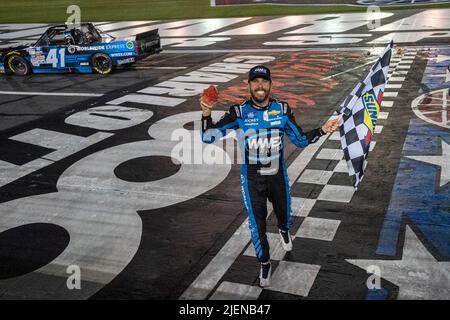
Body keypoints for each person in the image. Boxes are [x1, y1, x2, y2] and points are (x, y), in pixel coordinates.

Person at [200, 65, 339, 287]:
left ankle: (284, 229)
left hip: (277, 175)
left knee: (284, 214)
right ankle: (264, 262)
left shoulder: (282, 110)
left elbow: (301, 140)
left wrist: (322, 130)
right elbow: (208, 138)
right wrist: (206, 111)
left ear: (271, 84)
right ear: (249, 85)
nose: (260, 85)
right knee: (257, 224)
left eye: (264, 81)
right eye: (255, 81)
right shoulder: (239, 112)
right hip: (252, 178)